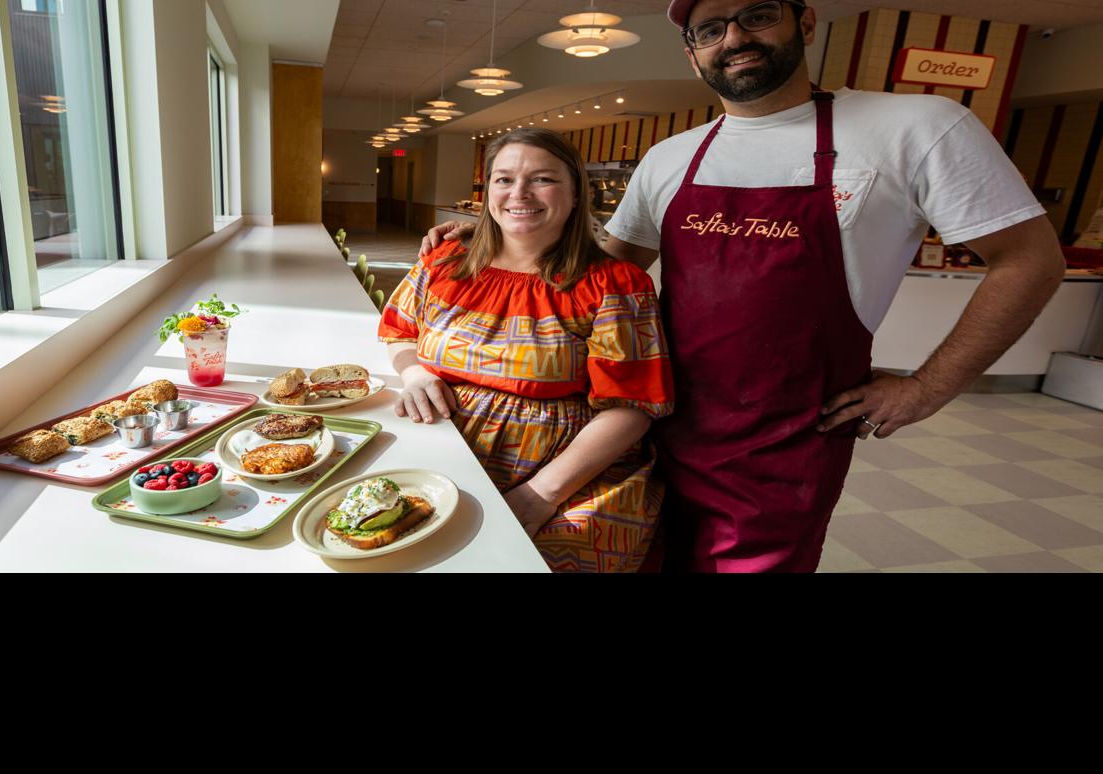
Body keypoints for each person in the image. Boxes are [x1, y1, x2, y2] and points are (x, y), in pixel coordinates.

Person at [421, 0, 1065, 572]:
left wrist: (929, 386)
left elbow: (1030, 261)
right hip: (647, 426)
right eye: (710, 28)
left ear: (806, 21)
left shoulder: (917, 127)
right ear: (692, 49)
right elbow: (593, 269)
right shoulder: (672, 156)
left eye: (757, 15)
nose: (733, 38)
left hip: (783, 447)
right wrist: (486, 238)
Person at [382, 128, 674, 572]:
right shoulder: (442, 261)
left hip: (562, 466)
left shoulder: (613, 284)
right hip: (443, 442)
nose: (519, 192)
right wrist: (415, 375)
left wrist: (542, 495)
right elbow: (398, 330)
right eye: (503, 179)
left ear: (576, 194)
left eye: (543, 179)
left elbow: (632, 407)